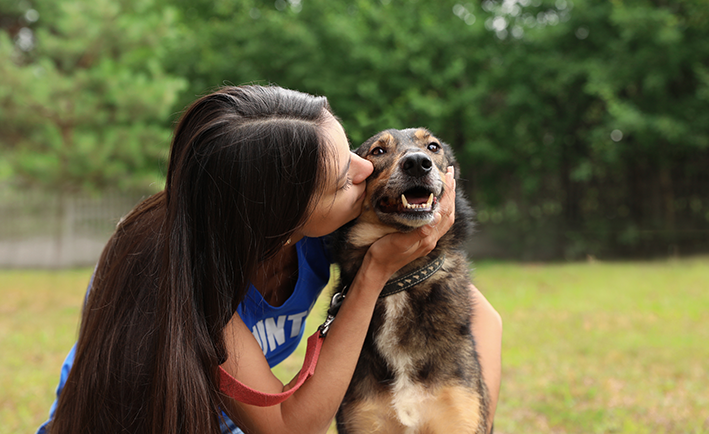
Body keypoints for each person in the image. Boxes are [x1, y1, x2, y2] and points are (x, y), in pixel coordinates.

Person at [38, 85, 501, 434]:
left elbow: (485, 319)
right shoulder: (183, 273)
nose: (366, 171)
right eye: (345, 177)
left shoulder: (323, 237)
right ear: (283, 216)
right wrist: (374, 273)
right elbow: (285, 429)